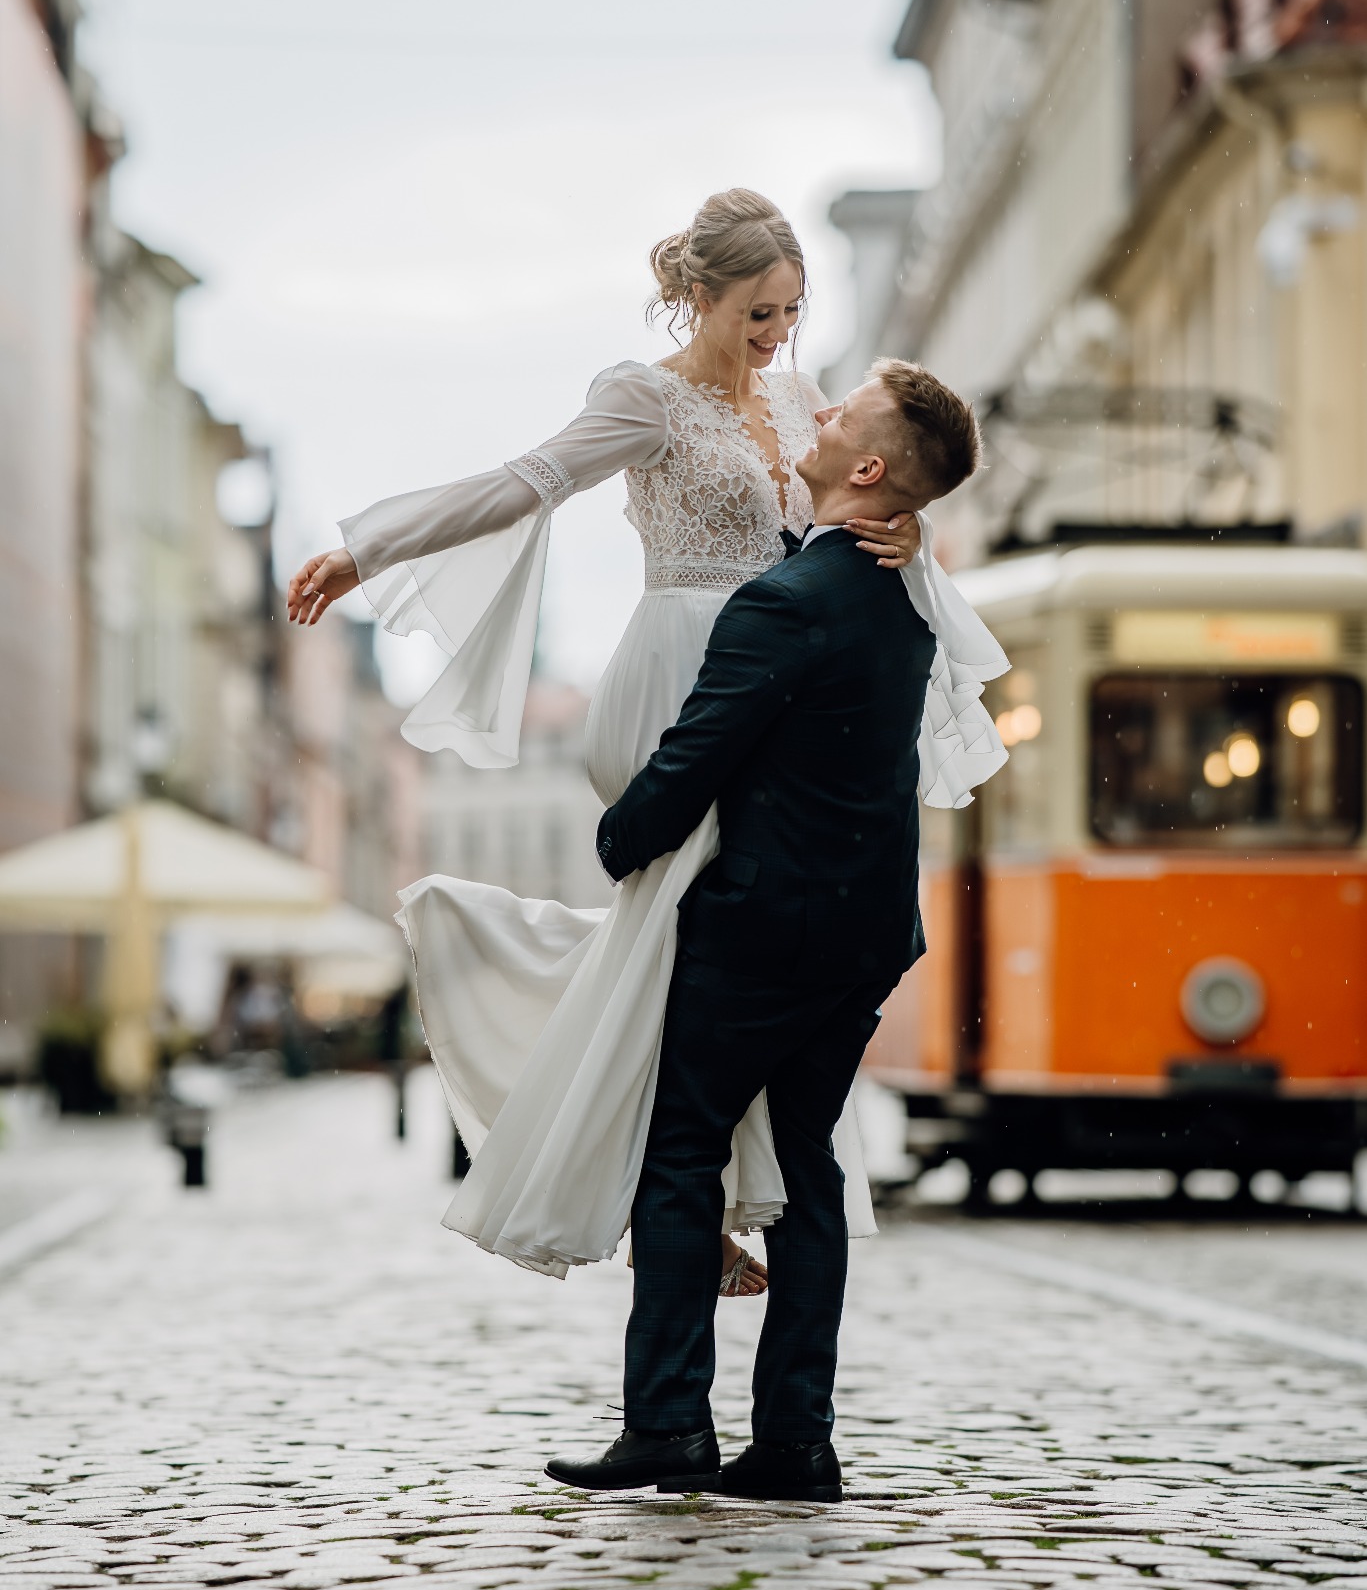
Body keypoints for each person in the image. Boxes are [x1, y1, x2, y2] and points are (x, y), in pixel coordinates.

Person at [287, 189, 1007, 1292]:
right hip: (676, 683)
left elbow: (851, 509)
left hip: (777, 687)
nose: (775, 336)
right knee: (693, 944)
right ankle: (675, 1188)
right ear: (696, 297)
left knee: (695, 960)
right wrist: (366, 551)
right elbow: (521, 481)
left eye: (791, 312)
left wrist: (900, 525)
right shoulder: (645, 402)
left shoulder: (804, 399)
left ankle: (677, 1184)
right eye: (756, 313)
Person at [544, 361, 977, 1504]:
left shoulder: (785, 601)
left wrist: (615, 841)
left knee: (678, 1149)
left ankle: (669, 1422)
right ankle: (794, 1439)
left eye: (841, 416)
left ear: (871, 469)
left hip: (764, 926)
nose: (815, 412)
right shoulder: (896, 598)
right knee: (811, 1165)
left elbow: (698, 752)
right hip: (866, 930)